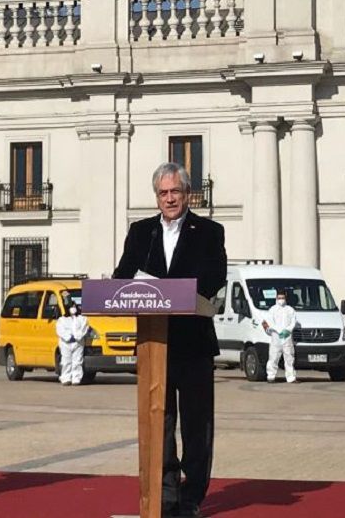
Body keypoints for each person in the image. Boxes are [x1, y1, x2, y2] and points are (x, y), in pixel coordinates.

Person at [113, 162, 227, 518]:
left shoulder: (209, 231)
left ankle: (192, 495)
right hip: (153, 346)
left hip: (193, 343)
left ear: (187, 193)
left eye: (175, 192)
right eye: (163, 193)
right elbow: (122, 277)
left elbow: (213, 277)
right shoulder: (141, 232)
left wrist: (174, 292)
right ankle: (166, 494)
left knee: (196, 425)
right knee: (158, 423)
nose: (169, 199)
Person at [261, 290, 298, 383]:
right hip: (276, 337)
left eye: (282, 298)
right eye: (279, 298)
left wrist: (288, 330)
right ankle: (271, 376)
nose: (281, 300)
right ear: (276, 298)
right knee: (273, 357)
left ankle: (291, 377)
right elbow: (270, 322)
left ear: (285, 298)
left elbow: (293, 322)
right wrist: (279, 330)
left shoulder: (290, 310)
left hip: (287, 337)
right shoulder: (272, 310)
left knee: (289, 357)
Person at [56, 303, 89, 386]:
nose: (73, 308)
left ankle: (76, 379)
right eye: (71, 307)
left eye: (74, 307)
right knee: (66, 361)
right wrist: (68, 337)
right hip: (65, 343)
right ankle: (66, 378)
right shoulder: (62, 319)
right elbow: (60, 330)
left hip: (78, 343)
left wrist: (77, 337)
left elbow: (84, 329)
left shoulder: (82, 318)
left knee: (77, 361)